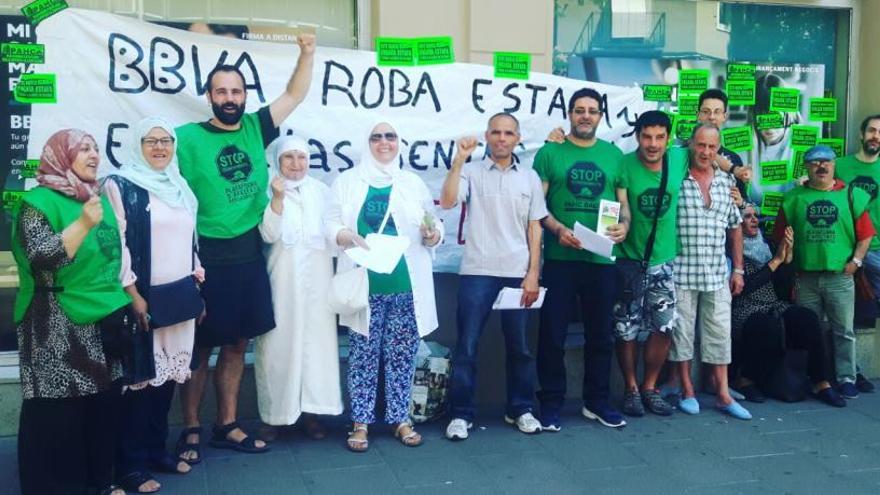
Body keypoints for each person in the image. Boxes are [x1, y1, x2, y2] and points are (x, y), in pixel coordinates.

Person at [174, 34, 315, 462]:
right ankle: (191, 428)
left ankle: (227, 425)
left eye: (236, 91)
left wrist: (307, 54)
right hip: (205, 257)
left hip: (251, 254)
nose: (230, 98)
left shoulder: (257, 126)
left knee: (236, 345)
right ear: (209, 96)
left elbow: (295, 93)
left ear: (245, 96)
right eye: (221, 91)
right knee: (200, 347)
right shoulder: (184, 138)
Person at [13, 129, 129, 495]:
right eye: (84, 149)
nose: (94, 154)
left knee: (101, 409)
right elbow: (41, 257)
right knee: (58, 414)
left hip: (103, 316)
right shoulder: (37, 202)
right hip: (55, 322)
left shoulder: (96, 198)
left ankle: (99, 482)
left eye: (95, 148)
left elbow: (113, 254)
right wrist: (82, 224)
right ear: (61, 157)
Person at [102, 118, 202, 493]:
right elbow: (116, 244)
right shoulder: (120, 185)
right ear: (137, 145)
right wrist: (133, 295)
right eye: (151, 141)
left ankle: (155, 451)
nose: (160, 148)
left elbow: (190, 239)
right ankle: (129, 465)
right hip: (144, 299)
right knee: (139, 381)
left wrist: (196, 279)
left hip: (178, 297)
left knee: (166, 381)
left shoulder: (179, 185)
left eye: (166, 141)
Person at [329, 121, 442, 452]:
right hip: (365, 283)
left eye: (390, 136)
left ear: (399, 142)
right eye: (376, 136)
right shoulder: (348, 182)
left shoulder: (412, 183)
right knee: (363, 355)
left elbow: (431, 222)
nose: (384, 142)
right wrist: (342, 235)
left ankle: (399, 418)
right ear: (366, 142)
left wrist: (434, 234)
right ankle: (360, 422)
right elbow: (331, 221)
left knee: (403, 354)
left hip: (405, 283)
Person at [439, 113, 547, 440]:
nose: (502, 138)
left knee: (520, 348)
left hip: (517, 274)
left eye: (508, 133)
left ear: (517, 138)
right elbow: (446, 200)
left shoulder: (529, 177)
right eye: (496, 132)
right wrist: (459, 159)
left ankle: (521, 409)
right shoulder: (471, 171)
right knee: (467, 346)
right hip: (477, 272)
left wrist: (533, 274)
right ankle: (461, 415)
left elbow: (535, 228)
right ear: (487, 136)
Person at [533, 87, 629, 431]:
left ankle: (597, 402)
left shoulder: (614, 155)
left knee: (601, 334)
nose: (585, 115)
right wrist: (557, 229)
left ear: (601, 116)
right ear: (569, 114)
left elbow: (624, 205)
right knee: (552, 335)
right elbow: (536, 207)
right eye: (579, 110)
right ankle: (551, 404)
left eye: (591, 110)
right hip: (560, 257)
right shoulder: (549, 153)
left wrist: (623, 228)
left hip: (601, 260)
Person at [254, 136, 343, 441]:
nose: (296, 164)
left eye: (301, 157)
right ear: (277, 161)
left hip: (318, 281)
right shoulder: (266, 189)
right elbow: (268, 234)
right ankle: (274, 416)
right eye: (288, 158)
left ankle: (313, 413)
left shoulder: (322, 191)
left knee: (316, 347)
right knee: (277, 345)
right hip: (281, 280)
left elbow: (333, 232)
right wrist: (277, 199)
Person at [774, 144, 875, 400]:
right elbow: (780, 237)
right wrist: (788, 253)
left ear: (833, 166)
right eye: (815, 162)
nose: (822, 166)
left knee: (844, 330)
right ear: (807, 167)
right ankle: (815, 377)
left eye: (827, 161)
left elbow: (866, 236)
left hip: (840, 276)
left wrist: (856, 262)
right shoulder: (793, 198)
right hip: (805, 277)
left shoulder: (851, 195)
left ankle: (846, 377)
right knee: (811, 329)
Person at [668, 124, 751, 420]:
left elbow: (735, 228)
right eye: (700, 145)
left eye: (711, 147)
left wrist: (738, 269)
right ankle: (687, 390)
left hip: (717, 272)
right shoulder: (677, 179)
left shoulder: (726, 182)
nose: (705, 152)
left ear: (719, 149)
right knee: (682, 333)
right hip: (681, 271)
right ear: (691, 145)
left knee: (719, 334)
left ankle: (723, 394)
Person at [731, 204, 846, 407]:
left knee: (807, 319)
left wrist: (788, 257)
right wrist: (775, 262)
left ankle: (820, 381)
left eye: (756, 216)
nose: (754, 220)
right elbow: (743, 288)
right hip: (744, 306)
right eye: (747, 216)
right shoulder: (730, 248)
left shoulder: (766, 245)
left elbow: (782, 288)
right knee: (764, 326)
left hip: (773, 303)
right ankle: (746, 378)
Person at [612, 111, 687, 418]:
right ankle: (630, 388)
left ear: (668, 138)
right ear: (637, 136)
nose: (653, 144)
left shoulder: (679, 159)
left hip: (664, 262)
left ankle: (650, 387)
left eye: (659, 137)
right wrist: (621, 226)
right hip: (628, 262)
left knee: (664, 327)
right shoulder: (623, 165)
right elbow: (620, 207)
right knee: (625, 328)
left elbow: (713, 154)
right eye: (646, 136)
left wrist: (736, 170)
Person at [834, 114, 880, 393]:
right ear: (861, 134)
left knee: (860, 313)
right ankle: (853, 371)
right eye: (872, 130)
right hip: (852, 251)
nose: (876, 136)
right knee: (847, 316)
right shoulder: (840, 165)